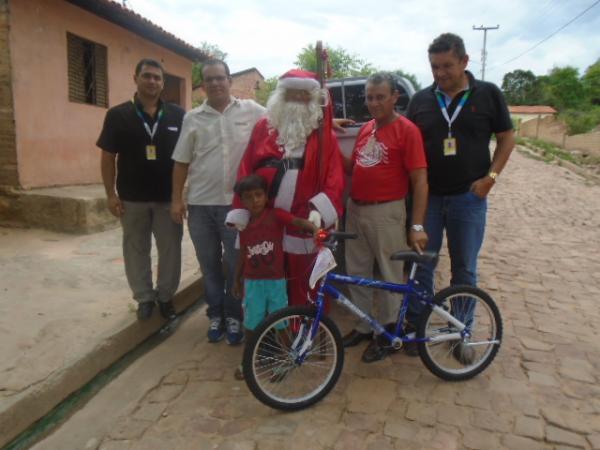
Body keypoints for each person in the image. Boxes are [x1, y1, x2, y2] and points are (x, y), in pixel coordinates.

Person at [405, 33, 515, 360]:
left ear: (465, 62)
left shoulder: (489, 94)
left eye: (447, 66)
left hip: (469, 198)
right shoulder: (422, 100)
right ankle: (418, 328)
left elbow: (507, 139)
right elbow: (402, 140)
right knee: (422, 265)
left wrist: (490, 179)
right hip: (430, 200)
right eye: (435, 66)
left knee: (464, 269)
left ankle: (461, 331)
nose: (440, 73)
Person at [226, 69, 345, 309]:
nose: (298, 100)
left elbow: (335, 179)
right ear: (281, 96)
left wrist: (318, 210)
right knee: (265, 276)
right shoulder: (262, 127)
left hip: (303, 221)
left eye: (304, 95)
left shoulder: (325, 137)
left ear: (313, 99)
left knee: (305, 279)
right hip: (264, 220)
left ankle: (304, 328)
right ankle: (270, 330)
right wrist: (242, 210)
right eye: (293, 94)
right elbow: (246, 167)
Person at [171, 59, 266, 345]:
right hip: (200, 206)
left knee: (237, 264)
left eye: (220, 78)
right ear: (202, 84)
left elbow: (284, 120)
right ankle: (216, 314)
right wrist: (177, 199)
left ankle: (235, 316)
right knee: (209, 264)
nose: (215, 83)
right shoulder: (192, 118)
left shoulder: (253, 112)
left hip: (237, 207)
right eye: (209, 79)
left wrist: (327, 123)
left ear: (229, 80)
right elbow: (181, 163)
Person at [339, 72, 429, 363]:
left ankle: (389, 333)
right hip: (357, 209)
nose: (374, 103)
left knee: (390, 276)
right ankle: (365, 325)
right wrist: (327, 136)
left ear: (394, 98)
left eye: (380, 97)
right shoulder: (367, 129)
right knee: (358, 273)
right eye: (369, 97)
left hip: (387, 211)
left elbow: (420, 181)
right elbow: (354, 167)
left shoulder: (407, 130)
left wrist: (415, 225)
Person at [97, 58, 184, 320]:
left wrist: (181, 196)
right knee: (136, 249)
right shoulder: (117, 115)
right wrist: (110, 194)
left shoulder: (178, 116)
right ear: (135, 78)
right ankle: (145, 298)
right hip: (132, 199)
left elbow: (187, 158)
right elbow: (107, 157)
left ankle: (166, 296)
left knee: (170, 249)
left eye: (157, 77)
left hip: (168, 199)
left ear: (163, 82)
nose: (152, 81)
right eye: (147, 76)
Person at [231, 174, 317, 379]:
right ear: (242, 201)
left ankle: (288, 360)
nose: (255, 201)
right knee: (251, 325)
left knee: (281, 323)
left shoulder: (276, 216)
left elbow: (296, 221)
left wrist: (314, 227)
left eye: (259, 195)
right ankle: (247, 362)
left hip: (275, 283)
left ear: (266, 196)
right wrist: (237, 278)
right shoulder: (244, 225)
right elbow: (243, 253)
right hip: (252, 283)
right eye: (249, 197)